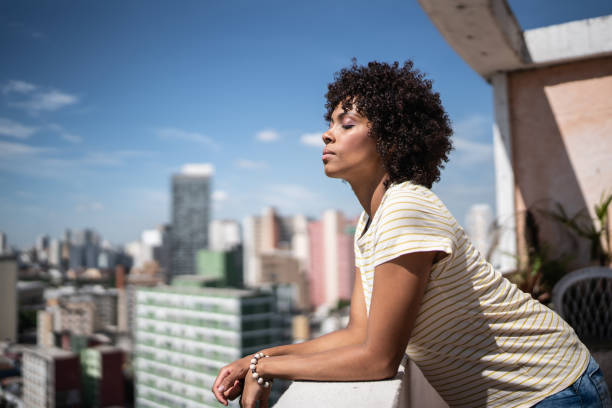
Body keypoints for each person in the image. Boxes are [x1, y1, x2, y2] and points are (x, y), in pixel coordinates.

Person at [212, 60, 612, 408]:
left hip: (551, 391)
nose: (327, 134)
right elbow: (358, 333)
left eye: (346, 123)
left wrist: (265, 367)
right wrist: (258, 357)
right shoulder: (370, 224)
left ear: (389, 137)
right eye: (330, 122)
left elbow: (377, 360)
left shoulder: (406, 208)